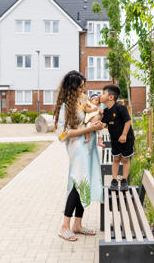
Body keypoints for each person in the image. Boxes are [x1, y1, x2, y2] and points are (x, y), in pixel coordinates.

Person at [54, 70, 103, 242]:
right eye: (80, 87)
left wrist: (95, 123)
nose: (83, 90)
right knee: (78, 183)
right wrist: (88, 129)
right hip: (78, 149)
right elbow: (61, 134)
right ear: (72, 88)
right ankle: (64, 226)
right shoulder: (65, 107)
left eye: (84, 86)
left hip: (88, 148)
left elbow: (88, 117)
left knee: (85, 183)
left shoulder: (82, 101)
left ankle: (77, 224)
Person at [100, 85, 134, 191]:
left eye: (103, 93)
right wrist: (97, 119)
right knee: (115, 159)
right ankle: (114, 180)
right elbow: (103, 125)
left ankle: (124, 180)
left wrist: (124, 134)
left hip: (127, 138)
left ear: (111, 97)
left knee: (125, 159)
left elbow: (128, 121)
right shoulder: (105, 112)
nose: (101, 95)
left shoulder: (121, 108)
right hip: (115, 140)